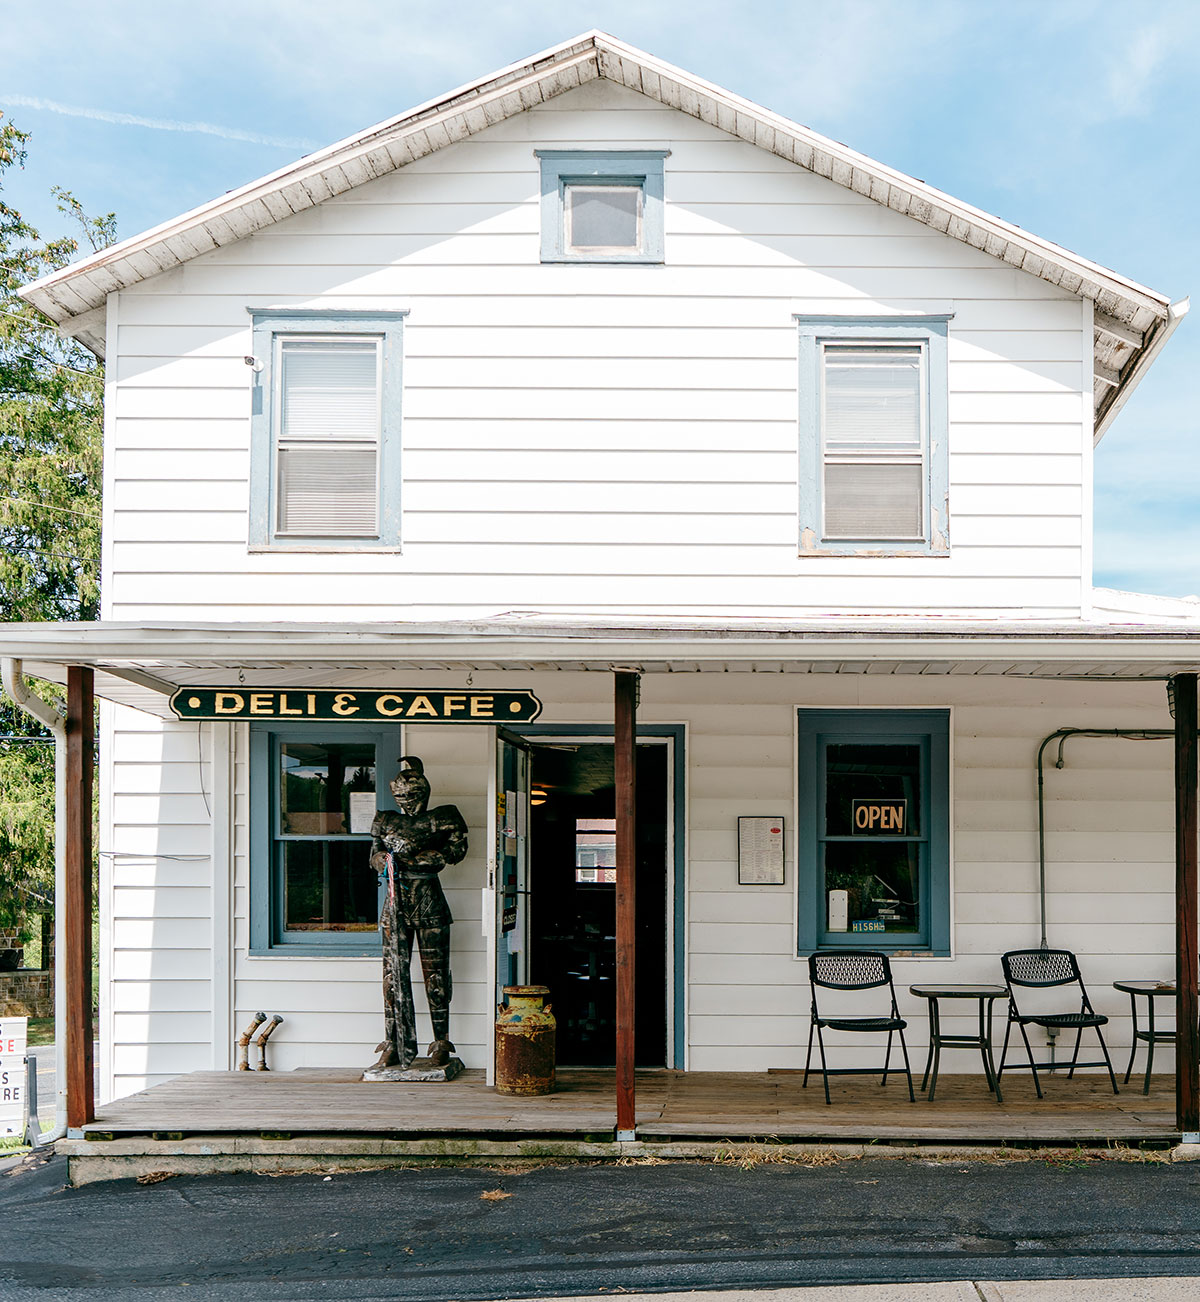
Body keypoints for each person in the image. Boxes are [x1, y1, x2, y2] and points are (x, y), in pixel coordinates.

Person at [368, 756, 468, 1070]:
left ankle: (441, 1041)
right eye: (401, 797)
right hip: (395, 901)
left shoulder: (443, 816)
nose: (407, 802)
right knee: (391, 976)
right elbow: (374, 854)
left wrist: (428, 855)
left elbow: (457, 849)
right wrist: (384, 859)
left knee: (436, 977)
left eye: (412, 796)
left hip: (429, 898)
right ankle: (393, 1041)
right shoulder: (385, 820)